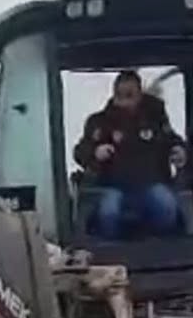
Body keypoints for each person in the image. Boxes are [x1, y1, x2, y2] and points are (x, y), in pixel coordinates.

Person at [73, 70, 187, 237]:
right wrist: (95, 152)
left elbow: (171, 139)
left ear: (139, 95)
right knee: (108, 211)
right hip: (113, 186)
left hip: (152, 183)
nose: (124, 101)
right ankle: (111, 251)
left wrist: (179, 150)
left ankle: (161, 246)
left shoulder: (155, 117)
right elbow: (80, 151)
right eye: (120, 95)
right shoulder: (100, 122)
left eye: (129, 95)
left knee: (166, 205)